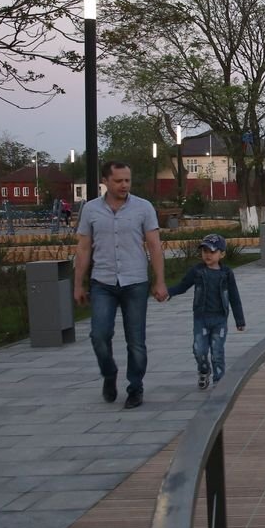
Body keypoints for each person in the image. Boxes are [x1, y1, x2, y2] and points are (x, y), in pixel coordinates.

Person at [73, 161, 168, 410]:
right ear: (105, 181)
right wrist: (78, 284)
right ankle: (109, 372)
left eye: (127, 180)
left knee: (136, 340)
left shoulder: (143, 207)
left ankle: (135, 388)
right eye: (118, 181)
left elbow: (154, 245)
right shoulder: (91, 210)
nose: (124, 185)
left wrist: (160, 281)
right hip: (102, 282)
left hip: (135, 281)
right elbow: (83, 249)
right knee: (99, 335)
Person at [167, 233, 246, 390]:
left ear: (222, 254)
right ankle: (204, 370)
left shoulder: (226, 273)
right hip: (201, 318)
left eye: (212, 251)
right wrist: (168, 292)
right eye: (205, 251)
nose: (208, 255)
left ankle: (219, 381)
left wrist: (240, 320)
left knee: (217, 351)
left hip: (219, 319)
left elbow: (234, 297)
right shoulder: (197, 271)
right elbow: (183, 286)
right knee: (199, 350)